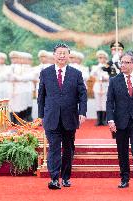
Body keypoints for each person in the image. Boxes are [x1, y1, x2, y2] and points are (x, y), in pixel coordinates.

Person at [37, 43, 87, 190]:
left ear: (68, 55)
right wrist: (41, 115)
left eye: (64, 53)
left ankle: (65, 177)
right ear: (54, 55)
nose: (62, 56)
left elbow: (83, 95)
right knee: (53, 147)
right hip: (51, 116)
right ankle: (53, 178)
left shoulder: (76, 74)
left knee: (68, 148)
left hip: (69, 117)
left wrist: (82, 112)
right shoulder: (45, 73)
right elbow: (41, 96)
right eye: (59, 53)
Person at [106, 51, 133, 189]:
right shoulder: (114, 80)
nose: (123, 65)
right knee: (122, 151)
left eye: (126, 62)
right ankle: (124, 178)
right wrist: (110, 120)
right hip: (120, 122)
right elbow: (109, 102)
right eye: (122, 62)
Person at [90, 50, 109, 126]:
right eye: (100, 58)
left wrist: (104, 69)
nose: (101, 59)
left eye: (103, 58)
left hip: (105, 85)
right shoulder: (95, 67)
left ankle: (104, 120)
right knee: (98, 103)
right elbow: (92, 74)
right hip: (97, 85)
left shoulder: (108, 67)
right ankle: (98, 120)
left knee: (104, 103)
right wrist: (99, 66)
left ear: (106, 58)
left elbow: (109, 76)